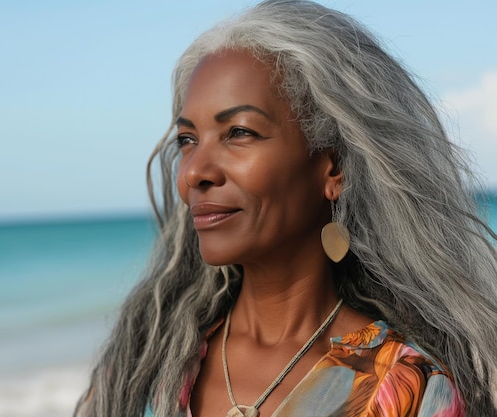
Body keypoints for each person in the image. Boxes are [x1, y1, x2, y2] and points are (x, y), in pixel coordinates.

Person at [75, 1, 497, 416]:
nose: (194, 173)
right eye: (188, 139)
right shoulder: (141, 368)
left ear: (334, 168)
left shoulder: (407, 389)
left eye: (238, 132)